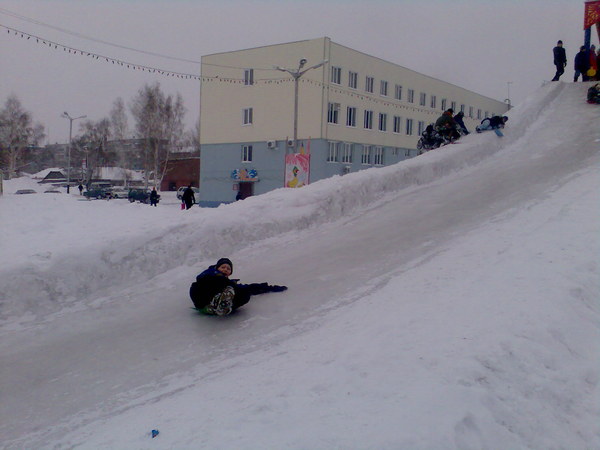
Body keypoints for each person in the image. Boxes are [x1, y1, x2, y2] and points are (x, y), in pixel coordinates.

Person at [189, 258, 287, 315]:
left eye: (228, 268)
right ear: (217, 268)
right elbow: (202, 279)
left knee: (244, 293)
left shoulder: (229, 283)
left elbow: (249, 288)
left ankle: (219, 307)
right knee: (224, 286)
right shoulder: (209, 274)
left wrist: (270, 288)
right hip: (202, 297)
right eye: (222, 267)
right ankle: (217, 302)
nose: (225, 269)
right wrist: (230, 285)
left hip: (210, 306)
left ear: (230, 272)